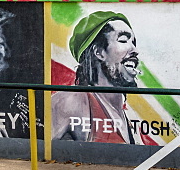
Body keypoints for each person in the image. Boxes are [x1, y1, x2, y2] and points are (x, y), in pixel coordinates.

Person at [52, 11, 142, 143]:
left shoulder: (126, 115)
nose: (135, 50)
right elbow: (38, 151)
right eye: (123, 40)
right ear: (98, 52)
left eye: (133, 42)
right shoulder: (69, 101)